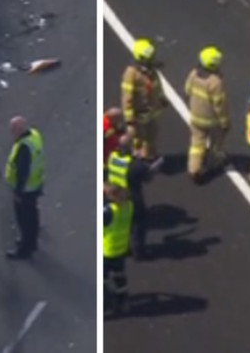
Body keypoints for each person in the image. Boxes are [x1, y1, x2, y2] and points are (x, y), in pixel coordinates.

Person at [106, 132, 157, 260]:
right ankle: (138, 252)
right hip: (132, 197)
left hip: (114, 195)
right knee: (138, 225)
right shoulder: (134, 164)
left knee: (122, 224)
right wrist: (145, 163)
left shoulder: (112, 157)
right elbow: (147, 177)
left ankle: (124, 247)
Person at [184, 46, 229, 182]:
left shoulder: (193, 74)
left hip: (196, 117)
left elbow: (187, 90)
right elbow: (219, 105)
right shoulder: (216, 83)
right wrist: (225, 122)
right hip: (212, 121)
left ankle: (194, 168)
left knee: (197, 143)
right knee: (216, 142)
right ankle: (213, 162)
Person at [4, 116, 45, 259]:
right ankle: (32, 242)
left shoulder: (24, 147)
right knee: (33, 216)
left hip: (25, 189)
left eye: (13, 130)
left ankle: (24, 249)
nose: (11, 134)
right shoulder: (34, 135)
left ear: (18, 130)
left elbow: (23, 171)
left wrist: (18, 192)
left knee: (24, 219)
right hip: (36, 185)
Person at [122, 38, 167, 165]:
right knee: (140, 138)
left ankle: (150, 157)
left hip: (150, 112)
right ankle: (140, 160)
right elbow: (127, 98)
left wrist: (161, 98)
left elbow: (156, 85)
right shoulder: (131, 75)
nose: (152, 60)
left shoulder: (149, 71)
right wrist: (130, 120)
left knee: (152, 134)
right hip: (139, 115)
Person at [102, 182, 134, 317]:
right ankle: (124, 301)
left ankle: (105, 306)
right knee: (119, 276)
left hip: (107, 250)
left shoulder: (108, 211)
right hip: (121, 248)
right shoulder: (129, 206)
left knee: (103, 280)